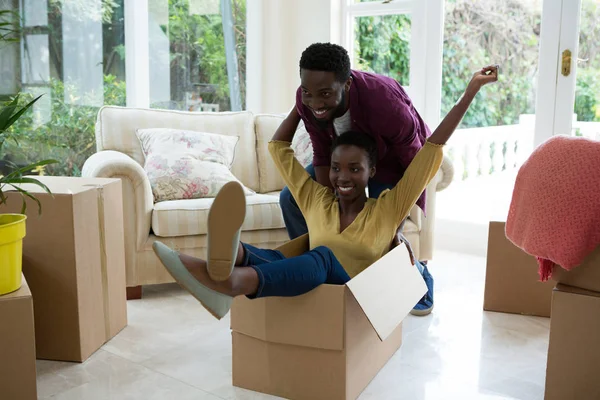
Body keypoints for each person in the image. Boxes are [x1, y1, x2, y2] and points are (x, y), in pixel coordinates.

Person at [151, 65, 499, 320]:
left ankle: (232, 281)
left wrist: (470, 91)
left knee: (321, 258)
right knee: (281, 258)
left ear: (371, 172)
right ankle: (237, 256)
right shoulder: (318, 199)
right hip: (321, 286)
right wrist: (303, 104)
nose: (342, 177)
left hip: (358, 294)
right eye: (336, 168)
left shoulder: (387, 207)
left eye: (354, 169)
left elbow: (432, 147)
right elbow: (278, 146)